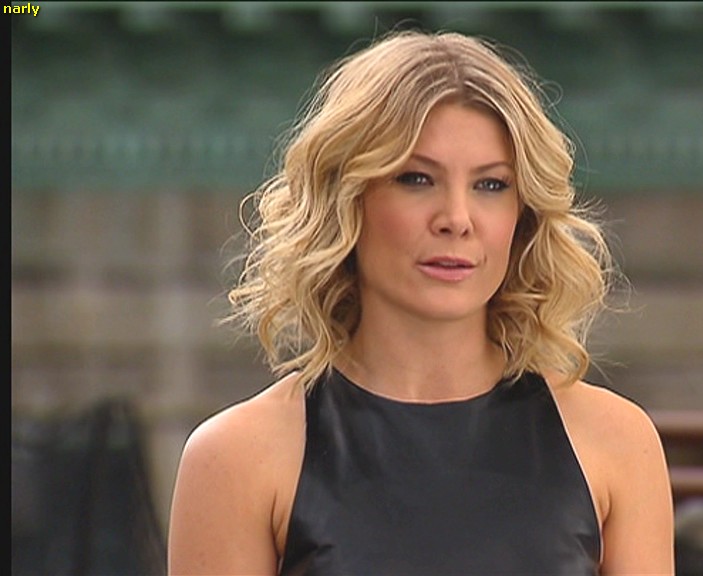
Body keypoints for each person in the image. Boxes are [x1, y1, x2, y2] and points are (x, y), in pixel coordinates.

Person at [167, 29, 675, 575]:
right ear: (347, 201)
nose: (456, 219)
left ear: (522, 214)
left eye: (491, 185)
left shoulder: (616, 441)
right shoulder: (237, 457)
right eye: (416, 179)